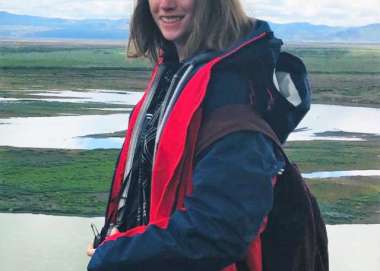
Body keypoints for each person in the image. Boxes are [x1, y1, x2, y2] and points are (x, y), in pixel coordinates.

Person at [86, 0, 316, 270]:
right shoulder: (175, 73)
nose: (165, 4)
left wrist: (114, 256)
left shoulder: (233, 93)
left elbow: (220, 229)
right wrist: (114, 243)